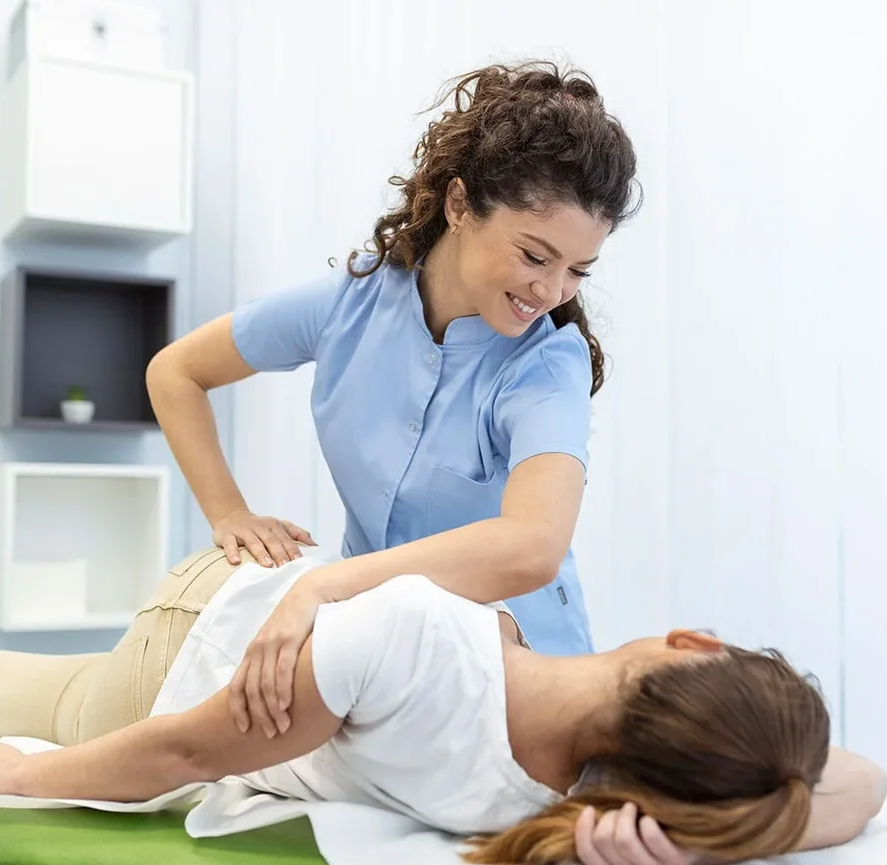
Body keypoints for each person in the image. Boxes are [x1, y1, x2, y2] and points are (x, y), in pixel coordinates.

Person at [143, 59, 641, 740]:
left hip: (518, 683)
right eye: (534, 256)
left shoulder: (547, 363)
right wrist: (229, 513)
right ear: (460, 206)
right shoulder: (351, 305)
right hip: (371, 663)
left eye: (578, 270)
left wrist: (325, 586)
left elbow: (533, 547)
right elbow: (175, 372)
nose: (552, 291)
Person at [0, 549, 887, 865]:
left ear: (692, 645)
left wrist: (23, 776)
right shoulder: (576, 794)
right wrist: (692, 843)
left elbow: (182, 750)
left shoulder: (415, 637)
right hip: (262, 637)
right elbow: (860, 782)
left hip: (180, 656)